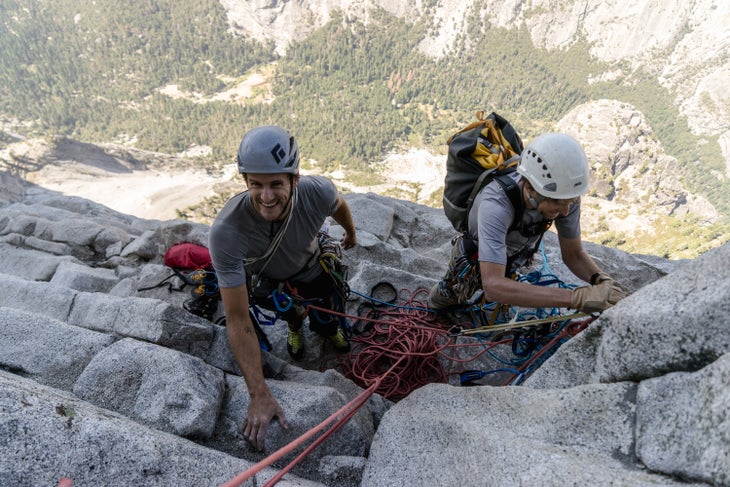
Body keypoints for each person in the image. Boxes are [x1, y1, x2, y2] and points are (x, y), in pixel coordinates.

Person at [209, 124, 357, 451]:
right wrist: (259, 394)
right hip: (268, 280)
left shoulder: (316, 191)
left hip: (310, 266)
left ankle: (326, 326)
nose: (266, 196)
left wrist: (351, 235)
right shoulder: (227, 231)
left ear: (295, 179)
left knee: (326, 311)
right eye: (256, 185)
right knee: (288, 311)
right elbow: (236, 317)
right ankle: (294, 325)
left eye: (276, 184)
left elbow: (339, 206)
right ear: (245, 182)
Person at [428, 132, 628, 315]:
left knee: (503, 295)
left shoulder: (563, 196)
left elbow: (574, 254)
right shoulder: (496, 205)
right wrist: (576, 298)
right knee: (444, 300)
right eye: (559, 203)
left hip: (516, 254)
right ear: (531, 188)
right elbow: (494, 285)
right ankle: (436, 306)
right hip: (476, 255)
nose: (566, 211)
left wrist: (600, 280)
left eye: (571, 202)